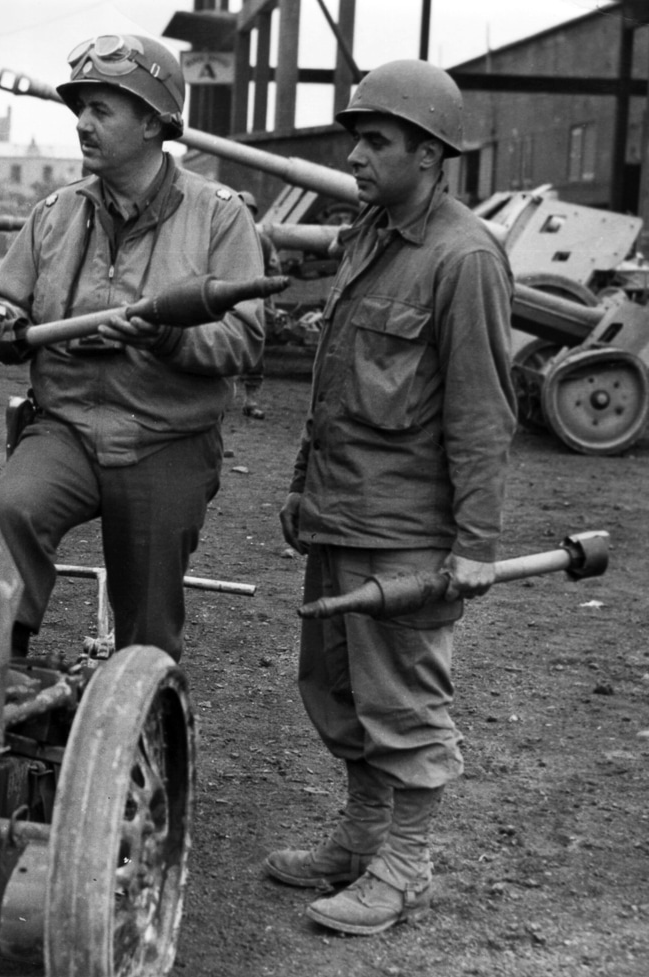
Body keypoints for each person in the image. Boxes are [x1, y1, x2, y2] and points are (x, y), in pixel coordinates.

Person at [264, 59, 517, 936]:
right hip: (341, 511)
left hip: (407, 529)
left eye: (376, 140)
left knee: (404, 700)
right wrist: (301, 490)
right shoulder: (370, 236)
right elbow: (335, 380)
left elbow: (484, 414)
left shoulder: (465, 257)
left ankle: (405, 864)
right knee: (335, 688)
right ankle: (361, 836)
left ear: (429, 152)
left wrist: (475, 543)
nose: (358, 155)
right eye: (358, 138)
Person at [0, 33, 265, 661]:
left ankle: (139, 738)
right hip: (65, 428)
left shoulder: (220, 217)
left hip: (165, 437)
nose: (83, 124)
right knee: (9, 519)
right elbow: (8, 312)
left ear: (154, 123)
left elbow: (244, 338)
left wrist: (170, 337)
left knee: (148, 623)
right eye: (80, 110)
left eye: (102, 110)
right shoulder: (54, 214)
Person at [237, 190, 276, 419]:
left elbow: (274, 271)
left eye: (250, 212)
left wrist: (266, 294)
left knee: (255, 351)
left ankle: (250, 401)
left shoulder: (264, 242)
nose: (246, 216)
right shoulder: (221, 237)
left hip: (254, 303)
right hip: (225, 303)